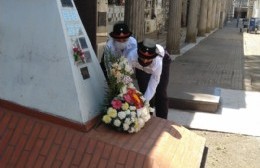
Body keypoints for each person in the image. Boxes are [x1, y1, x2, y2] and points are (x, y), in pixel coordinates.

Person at [127, 38, 171, 119]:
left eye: (148, 59)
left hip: (164, 60)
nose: (145, 61)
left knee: (160, 92)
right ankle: (147, 117)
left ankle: (162, 120)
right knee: (144, 90)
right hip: (140, 68)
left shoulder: (158, 62)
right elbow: (126, 75)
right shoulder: (131, 56)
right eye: (142, 57)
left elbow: (153, 84)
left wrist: (144, 102)